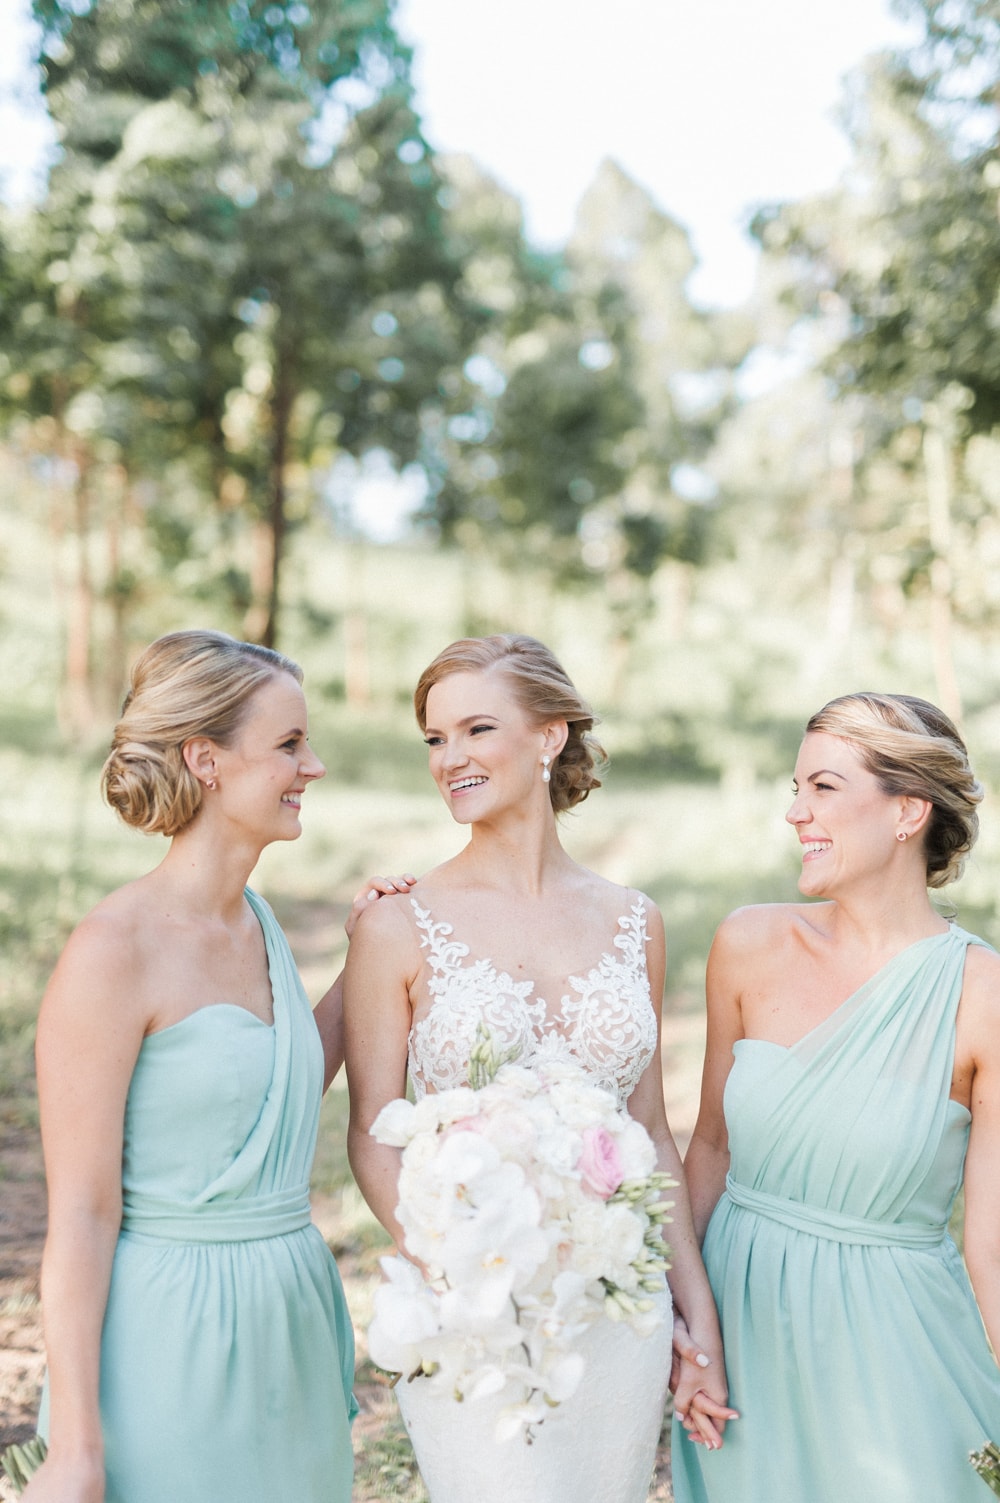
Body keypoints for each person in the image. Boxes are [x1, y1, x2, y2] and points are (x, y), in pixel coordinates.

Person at [23, 628, 412, 1503]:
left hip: (290, 1322)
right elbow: (81, 1213)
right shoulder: (112, 950)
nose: (312, 765)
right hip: (171, 1337)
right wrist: (77, 1447)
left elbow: (269, 1104)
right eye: (288, 744)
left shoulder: (259, 924)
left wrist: (368, 960)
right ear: (205, 759)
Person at [344, 633, 734, 1503]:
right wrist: (461, 1273)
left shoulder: (635, 920)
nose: (451, 759)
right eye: (435, 739)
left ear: (551, 736)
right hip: (473, 1317)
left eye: (477, 728)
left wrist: (692, 1312)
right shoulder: (399, 925)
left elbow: (651, 1137)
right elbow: (374, 1137)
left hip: (614, 1311)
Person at [672, 692, 1000, 1503]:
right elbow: (708, 1148)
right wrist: (685, 1332)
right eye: (796, 786)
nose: (794, 812)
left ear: (907, 812)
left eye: (822, 787)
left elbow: (990, 1245)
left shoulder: (982, 996)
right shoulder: (747, 943)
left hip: (899, 1353)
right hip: (743, 1348)